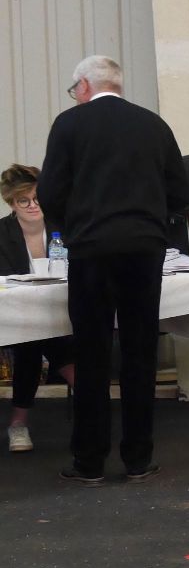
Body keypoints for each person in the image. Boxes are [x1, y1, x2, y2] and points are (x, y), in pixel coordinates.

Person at [37, 55, 189, 486]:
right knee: (141, 351)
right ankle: (138, 458)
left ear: (84, 85)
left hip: (91, 250)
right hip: (144, 250)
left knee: (92, 354)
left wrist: (74, 228)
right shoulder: (154, 126)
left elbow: (49, 192)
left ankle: (89, 462)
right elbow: (180, 191)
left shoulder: (69, 125)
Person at [0, 164, 76, 452]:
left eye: (37, 198)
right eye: (24, 201)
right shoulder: (2, 233)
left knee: (38, 340)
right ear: (12, 203)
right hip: (17, 315)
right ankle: (82, 387)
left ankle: (18, 423)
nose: (33, 206)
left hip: (62, 308)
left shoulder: (64, 227)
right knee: (32, 341)